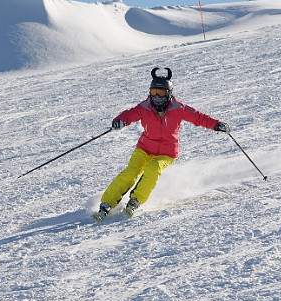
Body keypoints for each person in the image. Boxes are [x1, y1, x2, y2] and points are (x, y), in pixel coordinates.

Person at [92, 67, 230, 221]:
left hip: (167, 153)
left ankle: (136, 200)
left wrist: (217, 124)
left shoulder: (179, 108)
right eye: (153, 92)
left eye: (161, 93)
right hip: (144, 148)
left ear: (169, 94)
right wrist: (120, 120)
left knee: (153, 169)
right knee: (131, 172)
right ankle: (107, 202)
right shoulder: (144, 107)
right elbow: (129, 114)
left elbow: (199, 118)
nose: (156, 97)